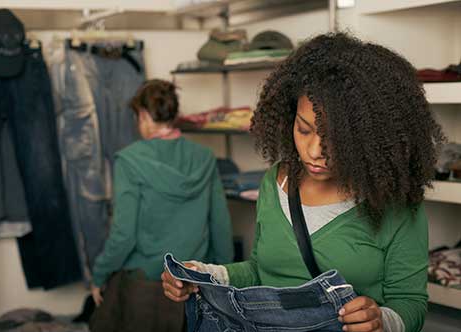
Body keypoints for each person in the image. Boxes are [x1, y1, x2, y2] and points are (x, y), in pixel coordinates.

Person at [162, 33, 444, 332]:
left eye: (335, 138)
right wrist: (204, 275)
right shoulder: (276, 182)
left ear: (368, 136)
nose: (314, 152)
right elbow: (261, 271)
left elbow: (410, 303)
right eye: (304, 129)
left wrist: (381, 321)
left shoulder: (396, 203)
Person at [89, 79, 234, 332]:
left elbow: (124, 235)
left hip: (146, 287)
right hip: (194, 283)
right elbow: (221, 226)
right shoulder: (205, 157)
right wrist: (223, 280)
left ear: (143, 115)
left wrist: (99, 275)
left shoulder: (129, 161)